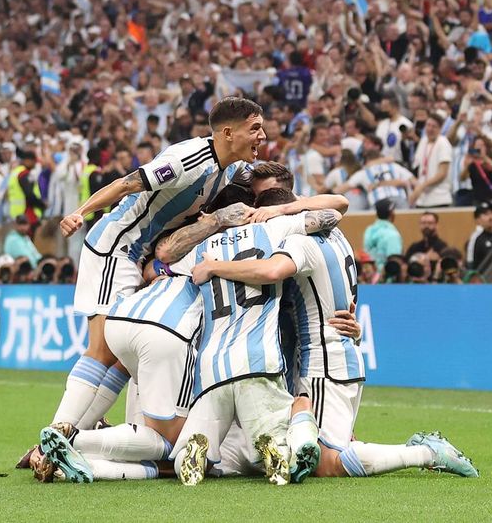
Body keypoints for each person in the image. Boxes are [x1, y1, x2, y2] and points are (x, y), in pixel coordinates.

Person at [34, 187, 348, 485]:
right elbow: (333, 213)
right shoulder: (273, 231)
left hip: (137, 325)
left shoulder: (201, 248)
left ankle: (89, 458)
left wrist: (210, 241)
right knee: (168, 442)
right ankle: (77, 438)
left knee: (178, 432)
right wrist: (284, 210)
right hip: (214, 347)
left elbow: (154, 268)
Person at [191, 205, 478, 481]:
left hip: (322, 363)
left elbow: (271, 271)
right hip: (343, 356)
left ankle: (425, 453)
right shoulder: (338, 236)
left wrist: (214, 267)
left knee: (327, 462)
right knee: (318, 446)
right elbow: (338, 207)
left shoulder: (300, 243)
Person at [49, 98, 267, 436]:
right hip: (116, 248)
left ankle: (76, 433)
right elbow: (127, 183)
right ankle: (56, 433)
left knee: (123, 357)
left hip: (138, 257)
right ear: (227, 133)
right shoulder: (188, 160)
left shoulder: (230, 169)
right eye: (254, 129)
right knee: (102, 350)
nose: (262, 136)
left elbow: (276, 184)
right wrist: (80, 212)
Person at [336, 137, 414, 210]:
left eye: (368, 143)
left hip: (378, 202)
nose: (365, 146)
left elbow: (340, 189)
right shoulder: (394, 166)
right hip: (397, 199)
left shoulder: (364, 172)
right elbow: (414, 182)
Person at [410, 114, 453, 208]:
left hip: (439, 198)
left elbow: (442, 173)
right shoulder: (423, 141)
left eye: (434, 126)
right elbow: (417, 167)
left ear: (440, 129)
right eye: (428, 125)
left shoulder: (443, 143)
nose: (430, 129)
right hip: (422, 199)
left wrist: (422, 186)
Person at [6, 150, 45, 230]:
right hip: (27, 214)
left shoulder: (15, 172)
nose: (35, 164)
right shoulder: (23, 173)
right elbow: (29, 194)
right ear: (28, 161)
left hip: (16, 213)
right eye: (34, 161)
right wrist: (42, 205)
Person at [363, 199, 403, 272]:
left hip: (370, 275)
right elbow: (394, 264)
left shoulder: (368, 230)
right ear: (391, 213)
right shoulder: (392, 235)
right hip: (385, 277)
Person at [460, 135, 492, 205]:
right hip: (477, 198)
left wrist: (484, 157)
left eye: (482, 145)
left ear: (487, 147)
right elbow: (462, 178)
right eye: (477, 145)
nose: (479, 147)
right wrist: (467, 165)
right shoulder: (472, 164)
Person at [375, 94, 413, 164]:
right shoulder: (382, 124)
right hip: (381, 162)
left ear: (395, 107)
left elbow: (408, 148)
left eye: (386, 107)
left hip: (399, 162)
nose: (383, 110)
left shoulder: (406, 124)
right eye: (382, 107)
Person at [465, 203, 492, 272]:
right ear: (477, 219)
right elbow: (470, 264)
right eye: (486, 214)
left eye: (491, 213)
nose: (490, 217)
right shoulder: (475, 238)